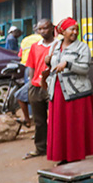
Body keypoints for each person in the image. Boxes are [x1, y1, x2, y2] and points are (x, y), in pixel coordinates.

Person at [45, 17, 93, 165]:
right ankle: (62, 156)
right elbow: (52, 67)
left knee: (74, 124)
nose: (75, 32)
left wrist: (68, 64)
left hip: (76, 91)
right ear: (63, 31)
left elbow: (85, 69)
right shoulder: (55, 46)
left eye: (77, 29)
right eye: (71, 29)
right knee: (60, 124)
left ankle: (75, 156)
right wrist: (48, 61)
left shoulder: (82, 47)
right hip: (57, 90)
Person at [22, 19, 57, 160]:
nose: (42, 31)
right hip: (36, 87)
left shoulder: (58, 45)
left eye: (45, 28)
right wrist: (31, 82)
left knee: (55, 119)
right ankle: (40, 148)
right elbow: (31, 65)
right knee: (39, 121)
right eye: (40, 29)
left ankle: (56, 148)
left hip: (52, 86)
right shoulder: (35, 47)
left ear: (52, 28)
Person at [15, 27, 43, 127]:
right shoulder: (42, 40)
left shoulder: (25, 40)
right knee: (30, 93)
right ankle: (32, 117)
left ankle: (30, 117)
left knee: (29, 92)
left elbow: (20, 55)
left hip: (28, 67)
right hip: (36, 68)